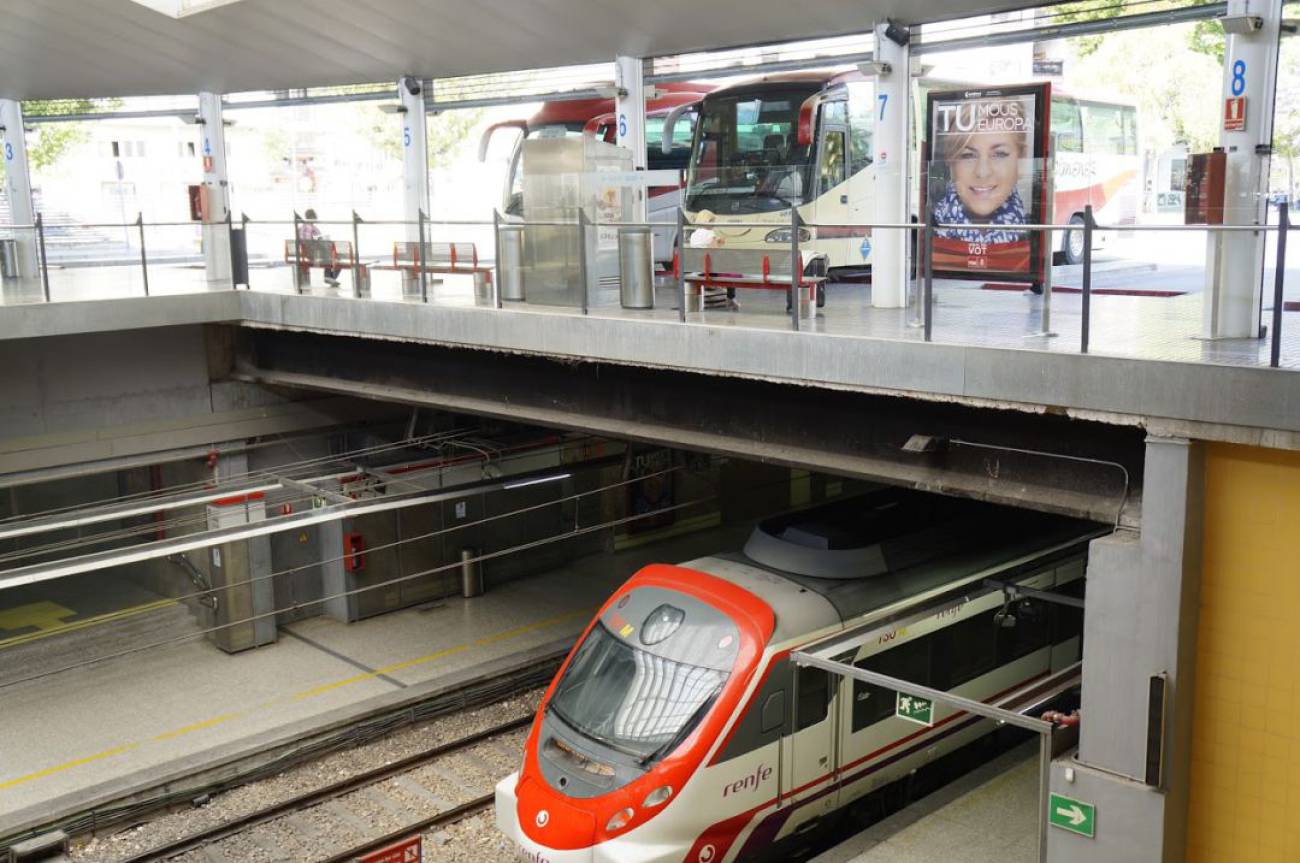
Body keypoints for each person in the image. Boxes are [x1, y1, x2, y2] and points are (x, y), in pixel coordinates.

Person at [932, 98, 1031, 244]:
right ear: (951, 162)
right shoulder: (929, 227)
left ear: (1021, 160)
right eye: (968, 155)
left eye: (999, 154)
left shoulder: (1034, 232)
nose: (982, 172)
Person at [298, 208, 341, 287]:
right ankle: (329, 277)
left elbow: (305, 241)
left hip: (306, 254)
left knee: (330, 254)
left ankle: (329, 277)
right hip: (315, 253)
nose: (315, 219)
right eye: (315, 217)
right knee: (336, 258)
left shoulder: (300, 228)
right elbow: (317, 240)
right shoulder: (313, 228)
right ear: (312, 217)